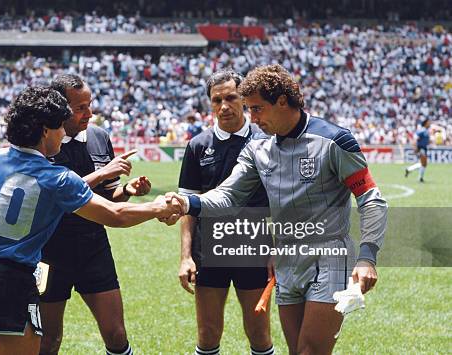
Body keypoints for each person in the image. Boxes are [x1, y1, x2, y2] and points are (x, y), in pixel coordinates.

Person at [165, 64, 388, 355]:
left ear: (282, 101)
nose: (253, 119)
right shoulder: (258, 149)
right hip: (286, 260)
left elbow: (371, 198)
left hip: (329, 256)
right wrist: (187, 202)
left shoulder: (335, 140)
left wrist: (367, 257)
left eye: (256, 109)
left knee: (310, 351)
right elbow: (228, 195)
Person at [0, 86, 181, 355]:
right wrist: (158, 206)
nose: (64, 132)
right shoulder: (55, 177)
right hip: (10, 281)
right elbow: (114, 215)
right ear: (45, 131)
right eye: (60, 126)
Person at [39, 74, 150, 355]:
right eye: (80, 108)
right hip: (48, 251)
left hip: (92, 246)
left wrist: (128, 189)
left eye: (90, 105)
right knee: (48, 339)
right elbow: (56, 196)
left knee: (116, 334)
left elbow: (107, 195)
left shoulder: (99, 137)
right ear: (60, 109)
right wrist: (103, 172)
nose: (89, 113)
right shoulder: (43, 142)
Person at [177, 69, 274, 355]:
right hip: (209, 250)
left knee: (259, 333)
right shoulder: (198, 146)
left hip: (254, 248)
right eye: (216, 100)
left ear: (243, 99)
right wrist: (185, 257)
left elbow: (282, 202)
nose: (224, 106)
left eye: (231, 97)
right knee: (207, 334)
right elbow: (188, 206)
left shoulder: (266, 141)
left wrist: (276, 247)